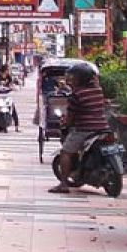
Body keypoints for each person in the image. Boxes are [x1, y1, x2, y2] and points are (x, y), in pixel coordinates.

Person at [49, 63, 106, 194]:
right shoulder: (98, 90)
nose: (70, 79)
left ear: (80, 79)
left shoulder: (77, 95)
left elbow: (70, 117)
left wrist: (65, 124)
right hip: (102, 128)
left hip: (84, 129)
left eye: (73, 77)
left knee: (66, 152)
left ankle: (63, 184)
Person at [0, 63, 20, 132]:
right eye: (8, 70)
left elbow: (12, 84)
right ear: (4, 70)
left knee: (13, 109)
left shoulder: (9, 77)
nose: (9, 71)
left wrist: (14, 87)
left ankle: (17, 126)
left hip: (7, 96)